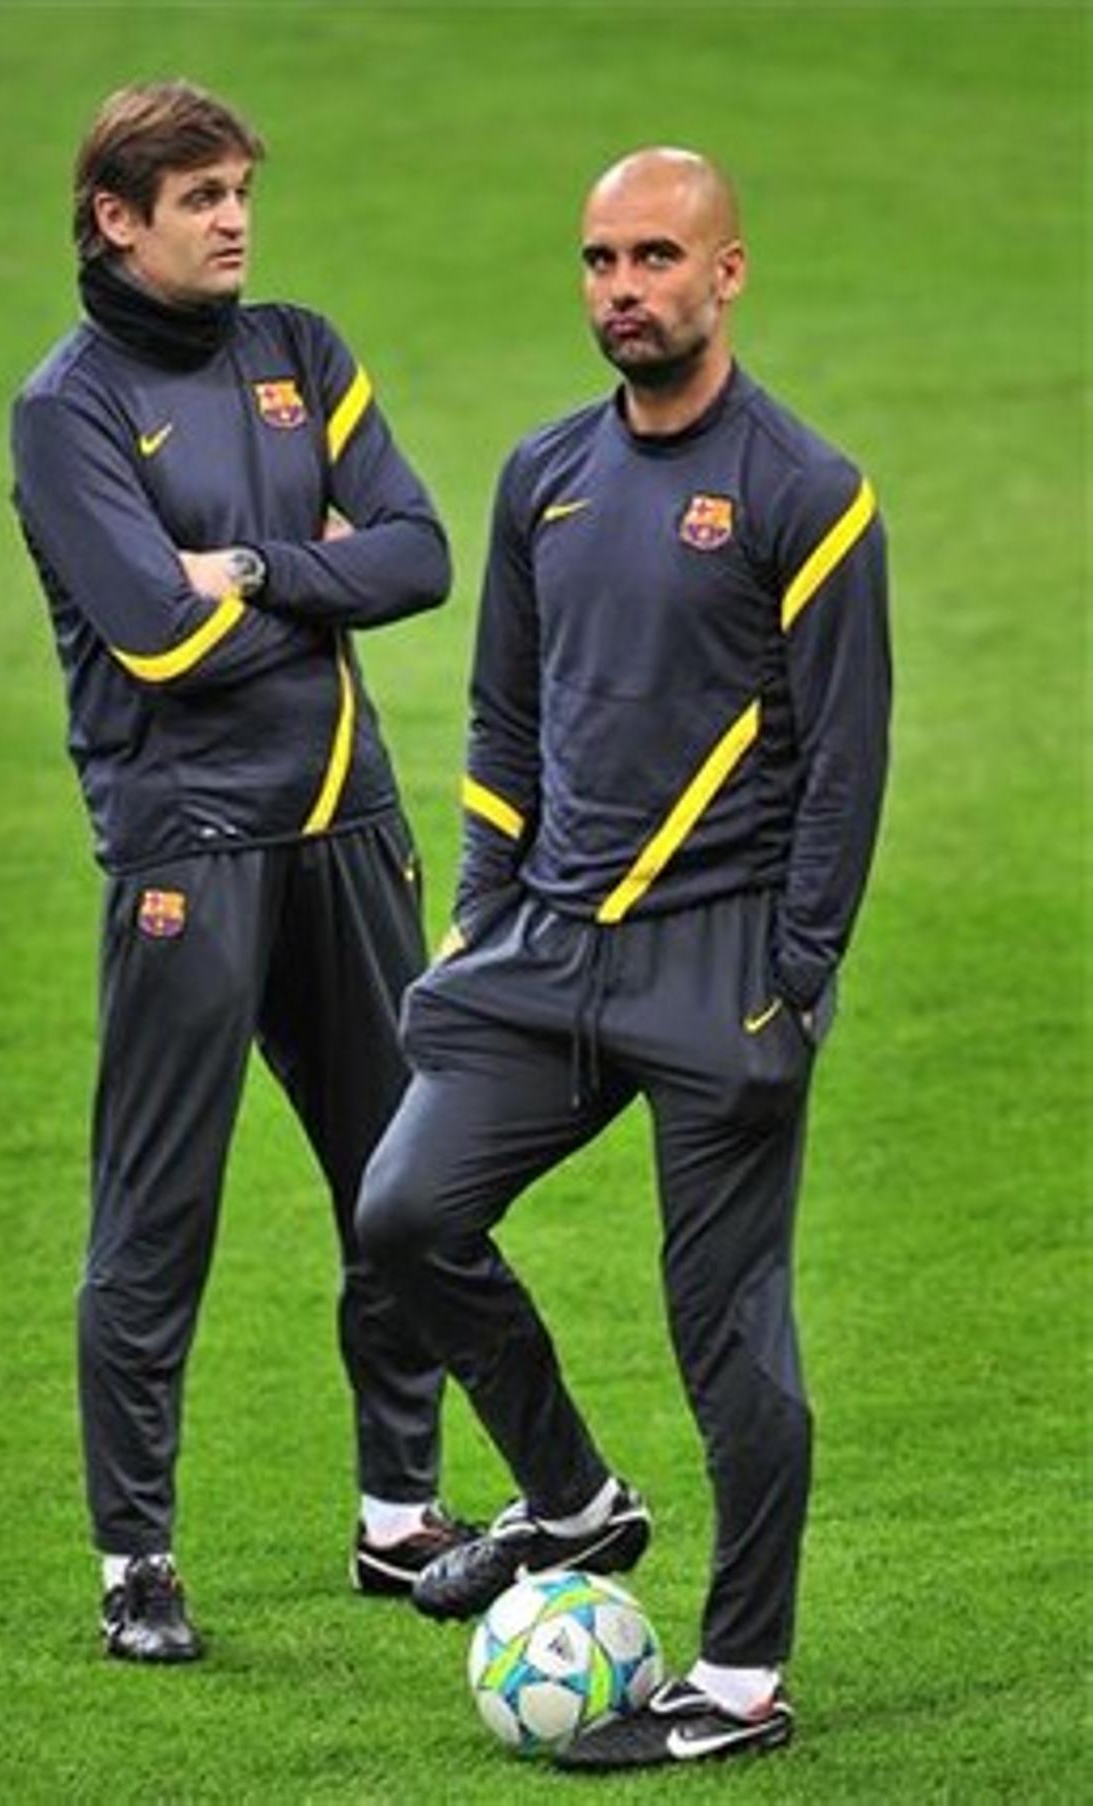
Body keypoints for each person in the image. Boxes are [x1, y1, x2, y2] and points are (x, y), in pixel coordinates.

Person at [357, 147, 891, 1768]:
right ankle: (576, 1502)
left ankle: (739, 1679)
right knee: (405, 1213)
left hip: (717, 963)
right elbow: (506, 715)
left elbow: (842, 766)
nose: (623, 291)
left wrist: (793, 979)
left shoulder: (807, 491)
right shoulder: (545, 476)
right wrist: (479, 906)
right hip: (543, 949)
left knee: (723, 1328)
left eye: (656, 258)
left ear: (728, 274)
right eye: (599, 261)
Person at [10, 80, 478, 1664]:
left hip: (351, 821)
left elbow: (419, 550)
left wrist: (268, 566)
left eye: (237, 193)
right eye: (197, 196)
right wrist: (307, 596)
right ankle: (136, 1557)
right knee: (159, 1212)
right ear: (115, 219)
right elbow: (156, 630)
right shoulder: (63, 408)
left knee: (403, 1189)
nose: (232, 219)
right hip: (187, 852)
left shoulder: (302, 351)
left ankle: (398, 1513)